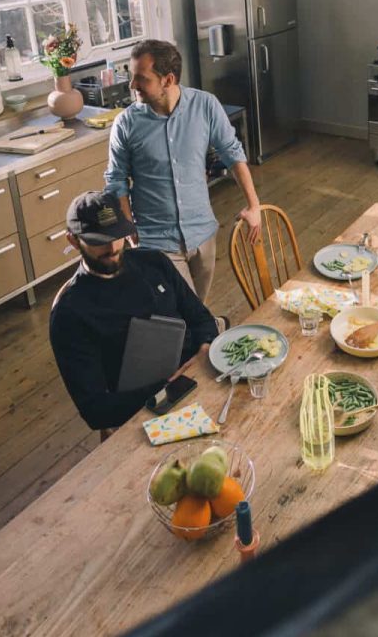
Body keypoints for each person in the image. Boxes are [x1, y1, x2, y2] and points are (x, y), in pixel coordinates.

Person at [104, 38, 263, 303]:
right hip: (156, 240)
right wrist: (127, 224)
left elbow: (232, 153)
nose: (132, 86)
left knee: (195, 310)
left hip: (202, 233)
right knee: (179, 314)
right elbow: (116, 180)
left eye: (141, 79)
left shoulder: (205, 105)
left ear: (167, 80)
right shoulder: (126, 124)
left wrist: (253, 204)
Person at [49, 190, 219, 432]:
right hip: (143, 411)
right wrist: (167, 386)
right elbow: (95, 410)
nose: (112, 247)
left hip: (198, 379)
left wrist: (204, 349)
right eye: (99, 240)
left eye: (117, 235)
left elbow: (201, 318)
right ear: (73, 240)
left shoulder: (154, 262)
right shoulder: (70, 314)